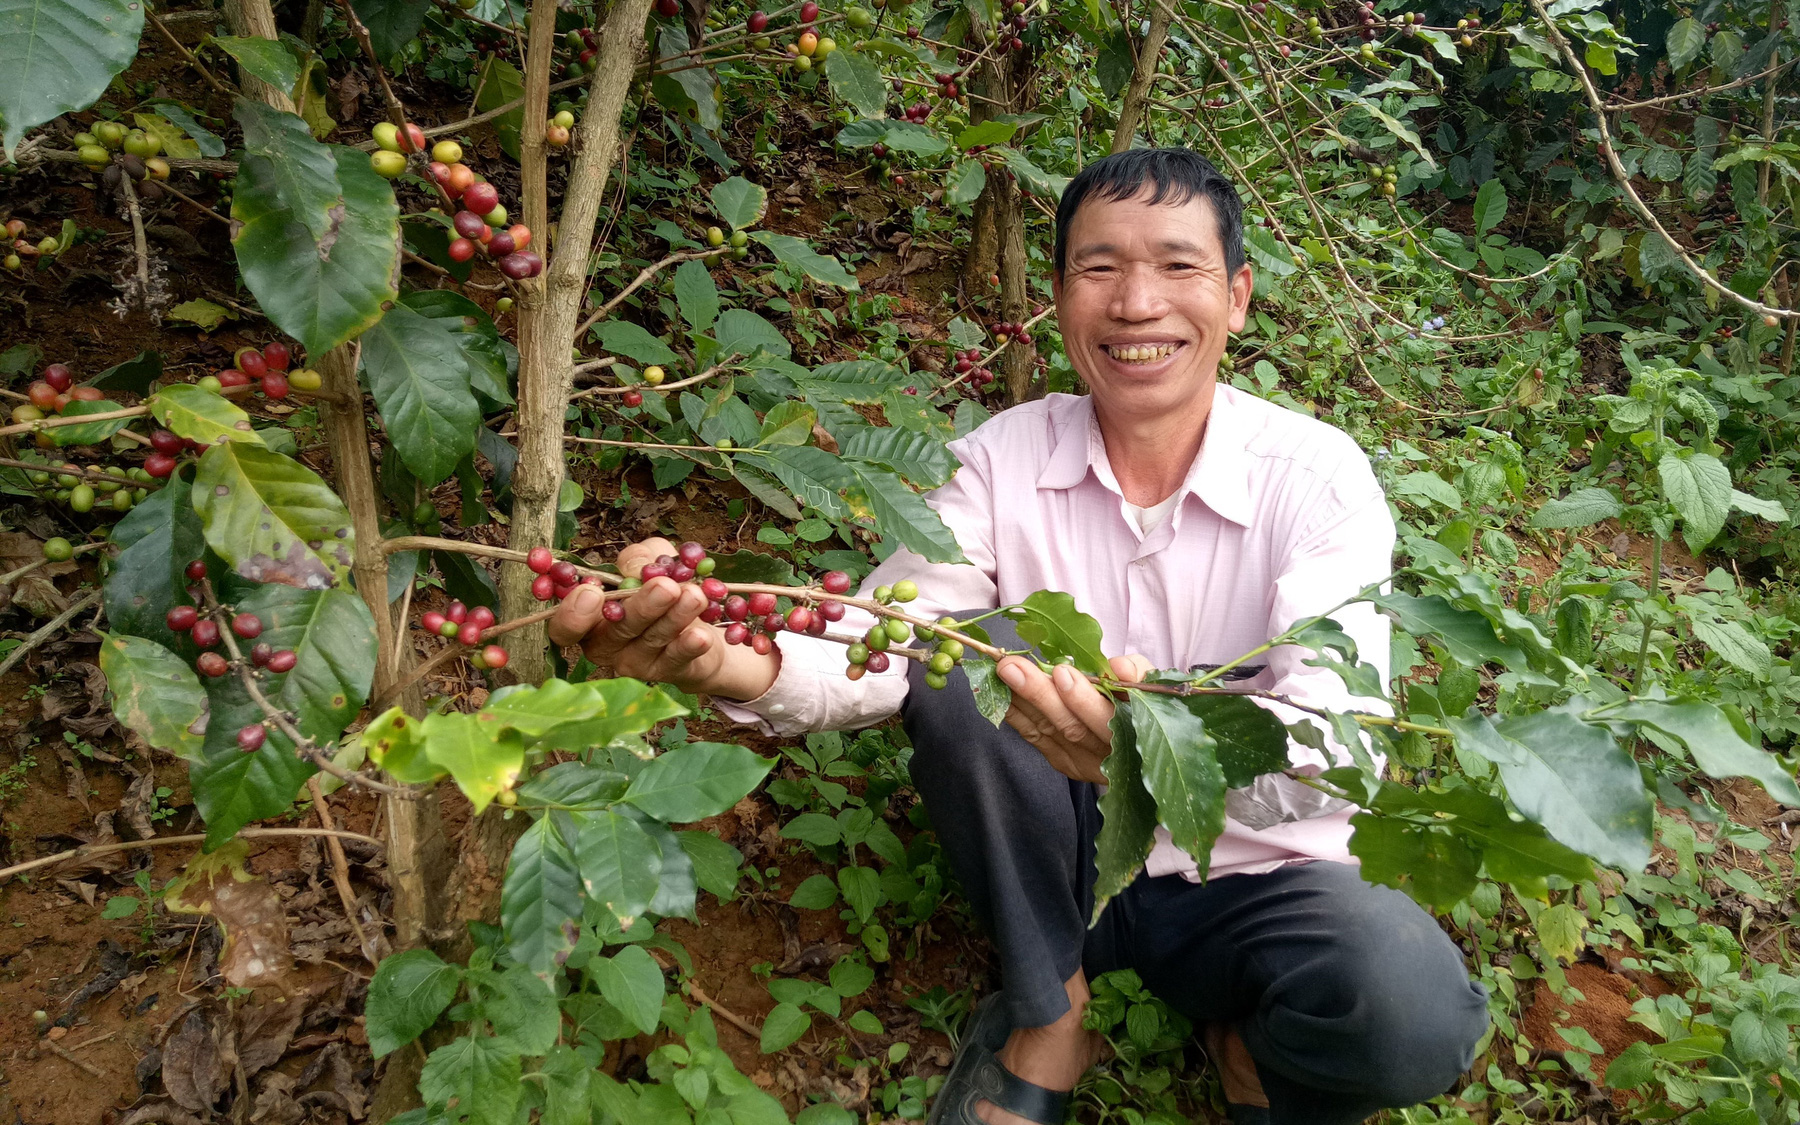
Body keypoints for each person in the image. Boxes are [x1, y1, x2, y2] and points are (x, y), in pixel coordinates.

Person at [549, 148, 1489, 1125]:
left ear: (1238, 296)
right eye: (1099, 268)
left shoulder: (1316, 479)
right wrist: (728, 660)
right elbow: (897, 637)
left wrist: (1146, 759)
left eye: (1178, 266)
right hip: (1064, 860)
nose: (1135, 302)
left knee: (1411, 1011)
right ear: (1060, 296)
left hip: (1256, 868)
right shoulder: (999, 460)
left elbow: (1338, 750)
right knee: (972, 647)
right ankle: (1054, 1005)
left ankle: (1250, 1041)